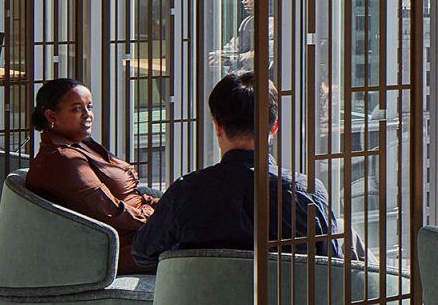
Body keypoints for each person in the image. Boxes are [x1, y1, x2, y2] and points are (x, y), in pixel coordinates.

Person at [131, 71, 364, 271]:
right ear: (274, 126)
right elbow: (331, 263)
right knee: (347, 235)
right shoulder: (308, 192)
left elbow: (143, 253)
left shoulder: (186, 192)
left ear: (218, 126)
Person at [25, 78, 153, 274]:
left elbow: (130, 196)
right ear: (51, 115)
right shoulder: (63, 159)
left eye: (89, 107)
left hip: (141, 230)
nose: (88, 115)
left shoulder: (81, 144)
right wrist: (159, 216)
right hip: (127, 246)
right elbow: (110, 211)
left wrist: (168, 205)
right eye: (76, 109)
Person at [210, 0, 256, 71]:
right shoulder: (247, 21)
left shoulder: (271, 22)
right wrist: (218, 54)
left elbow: (268, 51)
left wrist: (233, 58)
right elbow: (237, 44)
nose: (245, 2)